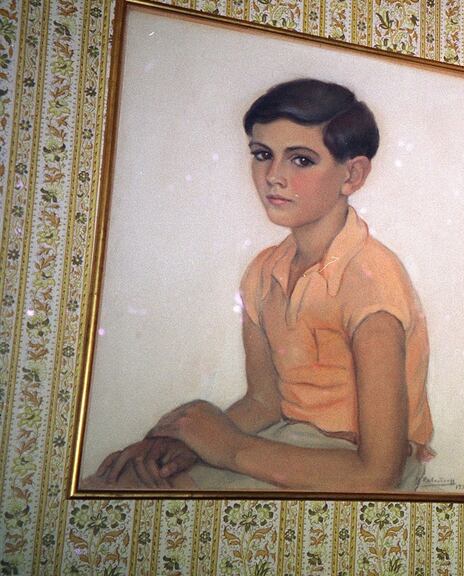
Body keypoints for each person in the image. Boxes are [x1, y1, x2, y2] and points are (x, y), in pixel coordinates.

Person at [85, 78, 433, 492]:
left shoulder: (371, 283)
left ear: (353, 174)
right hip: (285, 441)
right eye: (262, 155)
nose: (272, 177)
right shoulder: (265, 272)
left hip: (351, 468)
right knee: (123, 480)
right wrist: (182, 443)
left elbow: (379, 472)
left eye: (301, 160)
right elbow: (264, 403)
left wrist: (227, 446)